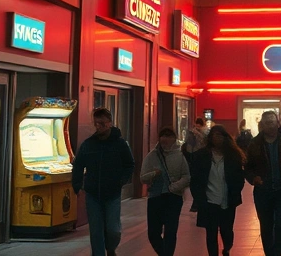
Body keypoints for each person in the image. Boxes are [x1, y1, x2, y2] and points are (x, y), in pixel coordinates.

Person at [71, 108, 135, 256]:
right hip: (93, 193)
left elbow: (129, 164)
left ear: (110, 123)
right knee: (95, 230)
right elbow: (78, 164)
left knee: (113, 229)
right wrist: (77, 185)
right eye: (96, 123)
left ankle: (111, 247)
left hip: (112, 193)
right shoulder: (88, 145)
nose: (98, 126)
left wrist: (121, 181)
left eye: (102, 123)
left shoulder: (120, 144)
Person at [245, 111, 281, 256]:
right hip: (262, 191)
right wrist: (253, 178)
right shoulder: (254, 144)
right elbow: (247, 167)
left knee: (280, 223)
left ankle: (277, 252)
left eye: (273, 122)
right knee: (266, 225)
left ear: (277, 124)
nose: (271, 126)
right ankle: (269, 253)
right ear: (262, 125)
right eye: (267, 123)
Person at [188, 124, 246, 256]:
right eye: (214, 136)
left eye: (220, 135)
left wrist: (236, 191)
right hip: (209, 201)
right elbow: (195, 179)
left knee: (227, 231)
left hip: (228, 200)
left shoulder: (233, 156)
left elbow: (239, 178)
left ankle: (227, 248)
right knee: (211, 233)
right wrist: (199, 198)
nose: (217, 138)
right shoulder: (202, 156)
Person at [141, 127, 190, 256]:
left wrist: (175, 187)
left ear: (174, 139)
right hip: (155, 197)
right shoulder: (152, 156)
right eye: (163, 136)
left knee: (170, 231)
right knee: (153, 233)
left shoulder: (180, 156)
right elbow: (142, 177)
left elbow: (186, 176)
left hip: (174, 197)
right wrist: (154, 174)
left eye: (168, 136)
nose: (165, 139)